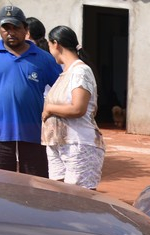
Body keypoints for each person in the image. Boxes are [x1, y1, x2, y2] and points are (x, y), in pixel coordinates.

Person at [0, 5, 61, 176]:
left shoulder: (43, 59)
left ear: (26, 29)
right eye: (6, 27)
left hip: (35, 134)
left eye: (16, 27)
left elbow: (62, 89)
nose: (10, 32)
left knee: (35, 187)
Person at [41, 25, 105, 189]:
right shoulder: (66, 73)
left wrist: (49, 109)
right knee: (59, 197)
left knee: (79, 201)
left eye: (49, 46)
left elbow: (78, 108)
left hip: (78, 144)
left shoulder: (80, 71)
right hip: (58, 143)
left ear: (55, 44)